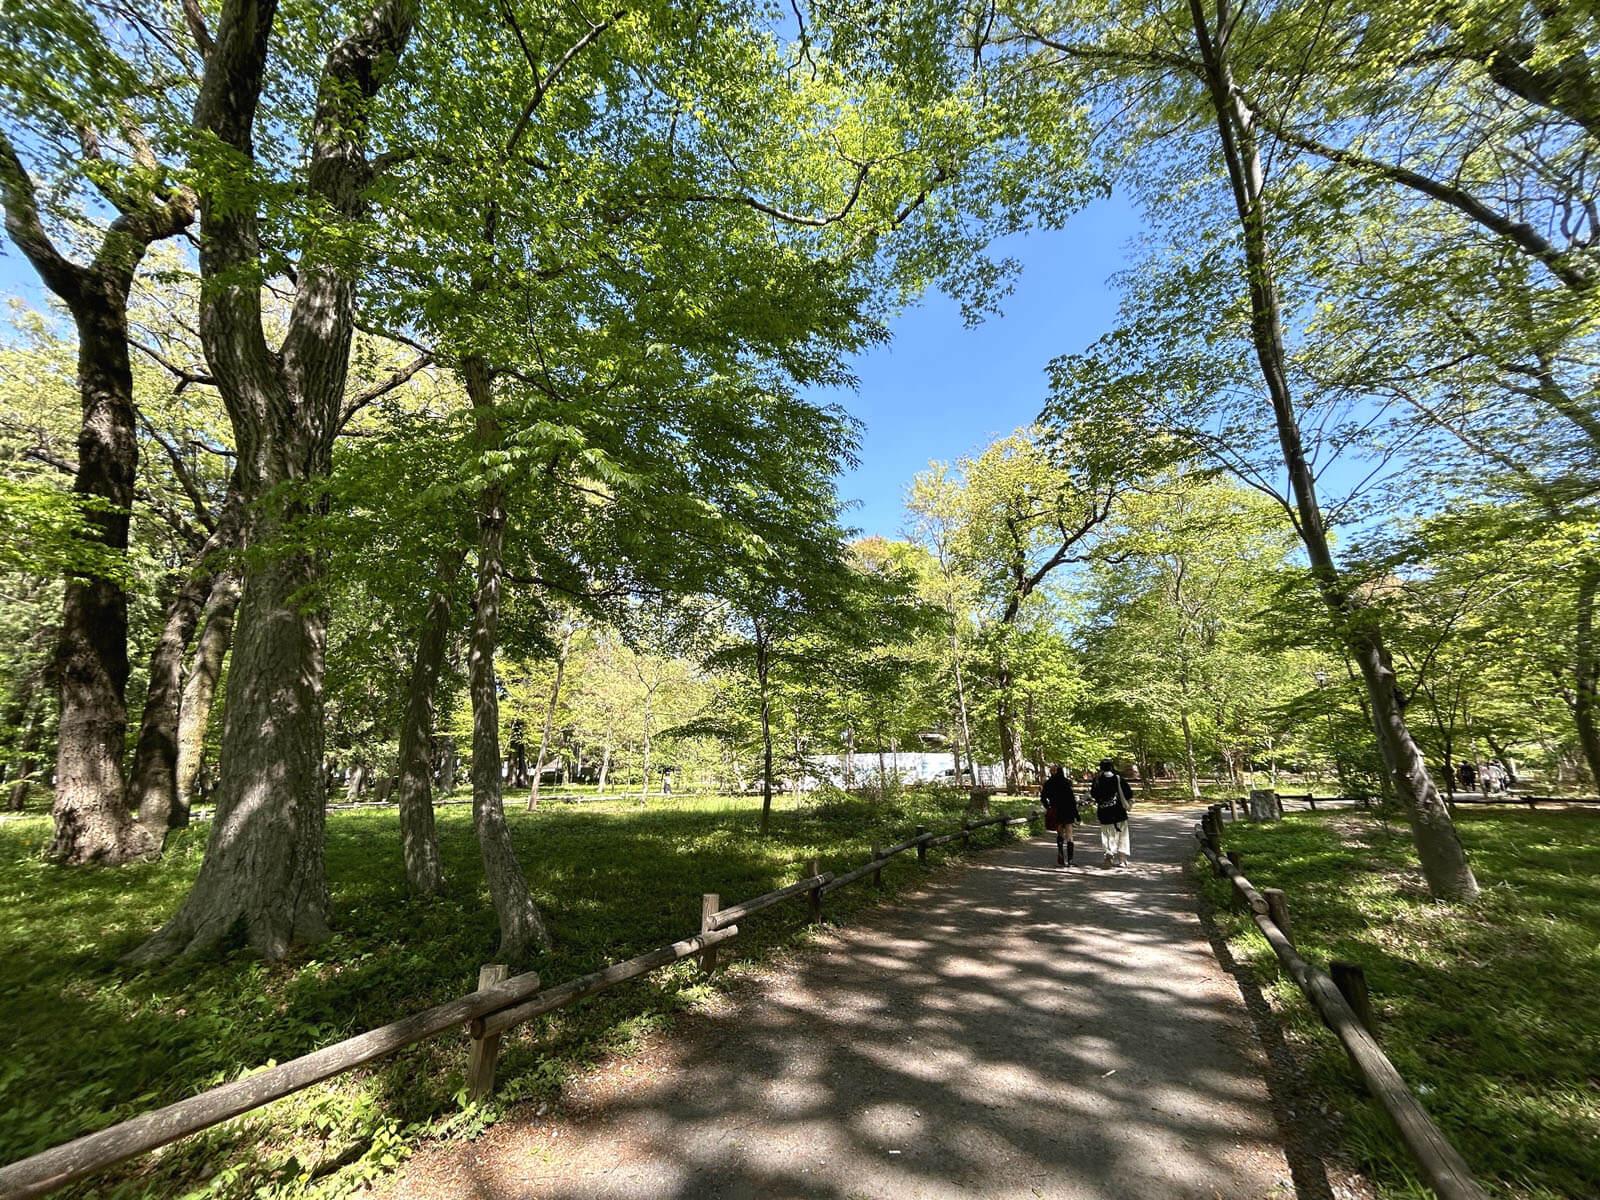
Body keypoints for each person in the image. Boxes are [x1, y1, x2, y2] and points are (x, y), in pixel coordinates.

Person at [1090, 758, 1134, 867]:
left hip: (1104, 814)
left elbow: (1094, 795)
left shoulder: (1097, 780)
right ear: (1112, 767)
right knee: (1122, 836)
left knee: (1106, 836)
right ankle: (1122, 859)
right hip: (1119, 813)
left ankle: (1108, 856)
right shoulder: (1118, 779)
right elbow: (1128, 794)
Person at [1040, 764, 1078, 867]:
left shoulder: (1048, 783)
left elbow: (1043, 797)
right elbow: (1071, 799)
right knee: (1069, 835)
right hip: (1067, 810)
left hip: (1056, 810)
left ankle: (1061, 853)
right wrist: (1076, 814)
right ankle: (1070, 860)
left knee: (1060, 833)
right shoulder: (1066, 782)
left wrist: (1048, 807)